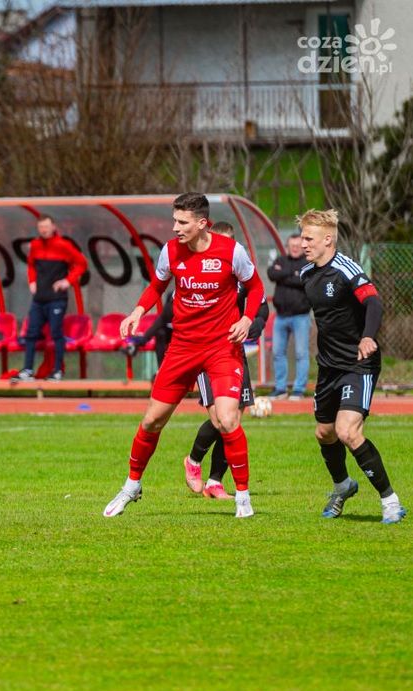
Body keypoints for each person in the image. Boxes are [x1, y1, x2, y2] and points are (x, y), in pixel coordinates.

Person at [103, 193, 264, 519]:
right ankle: (132, 485)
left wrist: (246, 319)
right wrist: (137, 311)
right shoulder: (170, 251)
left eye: (182, 222)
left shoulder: (231, 251)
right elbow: (157, 287)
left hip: (221, 348)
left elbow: (257, 288)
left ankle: (243, 498)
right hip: (182, 348)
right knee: (152, 420)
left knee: (229, 418)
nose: (175, 227)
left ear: (202, 224)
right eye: (174, 220)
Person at [298, 209, 405, 523]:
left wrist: (368, 337)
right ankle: (343, 486)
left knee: (348, 431)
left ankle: (390, 501)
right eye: (302, 237)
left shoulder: (345, 268)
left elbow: (373, 301)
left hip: (359, 364)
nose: (303, 243)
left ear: (327, 239)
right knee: (325, 433)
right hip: (328, 367)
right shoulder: (306, 275)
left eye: (309, 238)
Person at [182, 221, 269, 500]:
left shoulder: (241, 269)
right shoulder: (196, 271)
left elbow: (262, 305)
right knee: (220, 420)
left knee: (232, 422)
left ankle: (215, 482)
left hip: (233, 353)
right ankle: (193, 460)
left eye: (231, 241)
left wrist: (253, 325)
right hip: (205, 353)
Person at [14, 216, 88, 381]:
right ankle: (27, 370)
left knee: (56, 333)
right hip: (39, 298)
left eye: (46, 226)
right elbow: (31, 265)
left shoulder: (64, 245)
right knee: (31, 333)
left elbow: (82, 263)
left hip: (57, 299)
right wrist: (32, 281)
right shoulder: (35, 245)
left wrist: (67, 281)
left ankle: (57, 371)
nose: (44, 230)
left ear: (53, 226)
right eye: (41, 227)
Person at [266, 233, 312, 399]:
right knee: (278, 352)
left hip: (301, 316)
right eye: (292, 246)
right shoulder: (281, 260)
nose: (295, 248)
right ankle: (280, 388)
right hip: (281, 316)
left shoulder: (307, 263)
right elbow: (271, 274)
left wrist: (284, 275)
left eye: (298, 246)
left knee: (301, 353)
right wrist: (292, 274)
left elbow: (303, 280)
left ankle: (298, 389)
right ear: (287, 247)